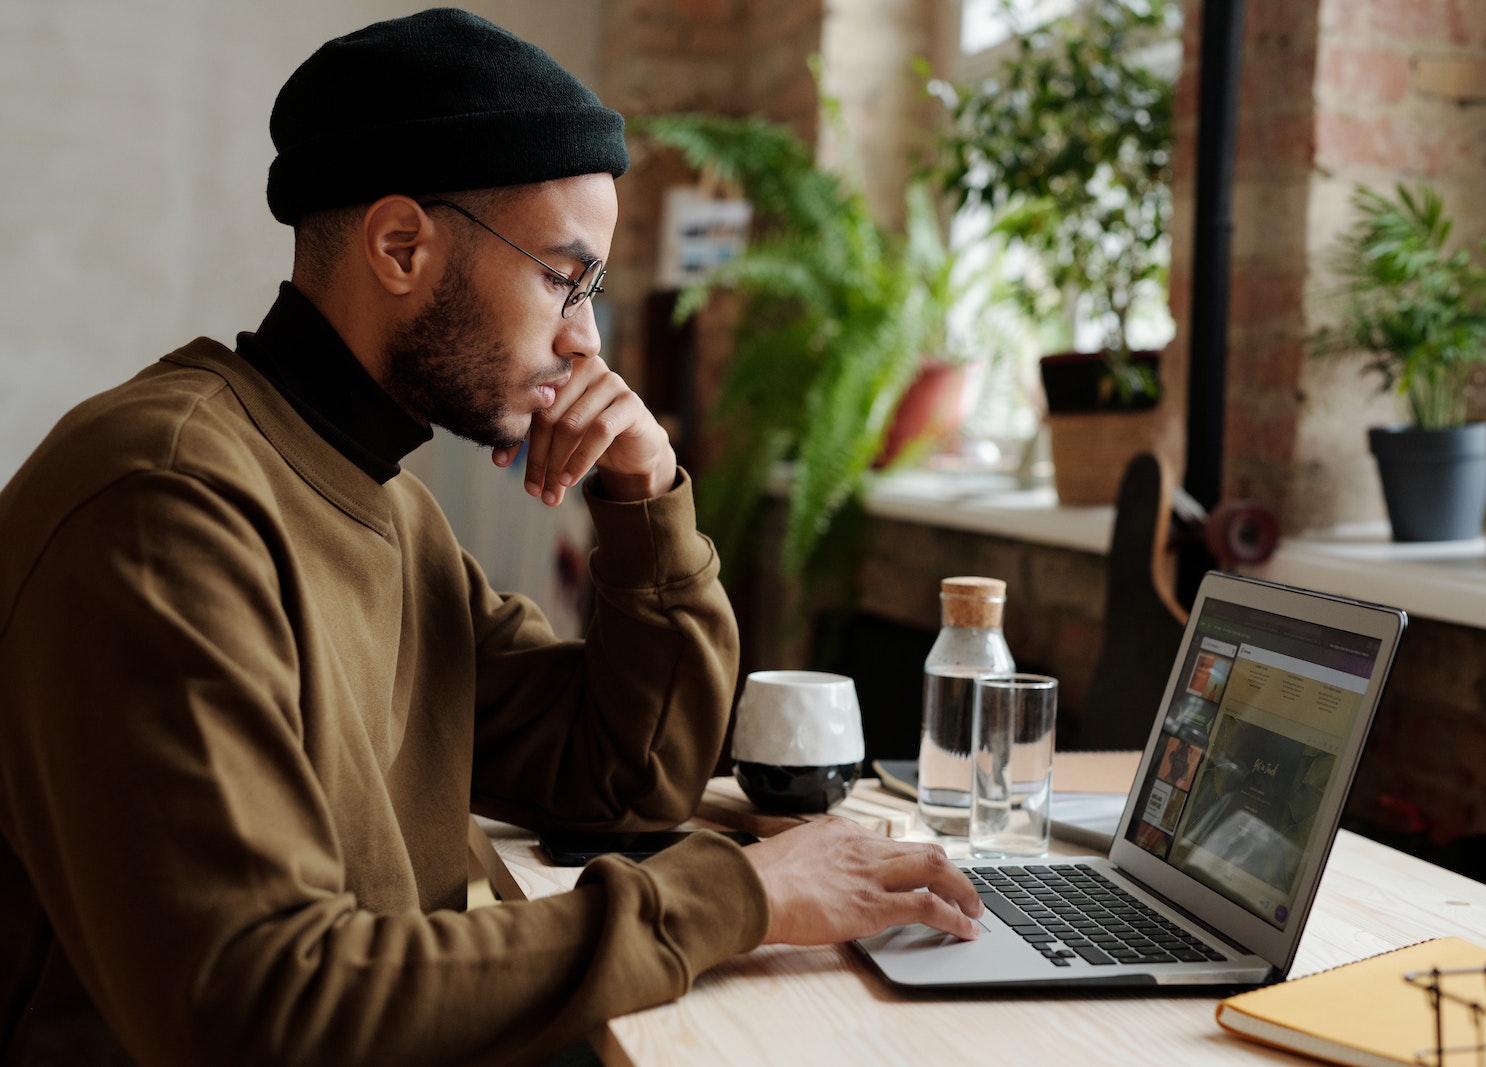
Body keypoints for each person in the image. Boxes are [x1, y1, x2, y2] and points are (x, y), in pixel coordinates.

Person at [0, 9, 981, 1064]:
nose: (586, 338)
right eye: (564, 278)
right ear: (399, 245)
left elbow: (621, 773)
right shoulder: (166, 503)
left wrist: (646, 498)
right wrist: (734, 895)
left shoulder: (388, 508)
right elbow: (260, 1007)